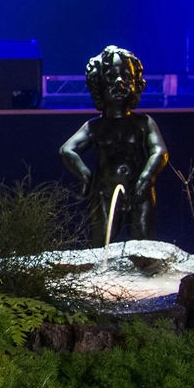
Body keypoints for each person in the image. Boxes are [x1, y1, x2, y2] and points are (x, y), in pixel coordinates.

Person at [59, 45, 168, 245]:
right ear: (98, 85)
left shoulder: (143, 123)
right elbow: (67, 150)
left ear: (135, 83)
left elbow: (160, 152)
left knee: (145, 246)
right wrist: (86, 176)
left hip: (139, 190)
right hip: (104, 192)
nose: (119, 83)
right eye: (111, 78)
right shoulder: (94, 126)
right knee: (100, 246)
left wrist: (147, 176)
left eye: (126, 78)